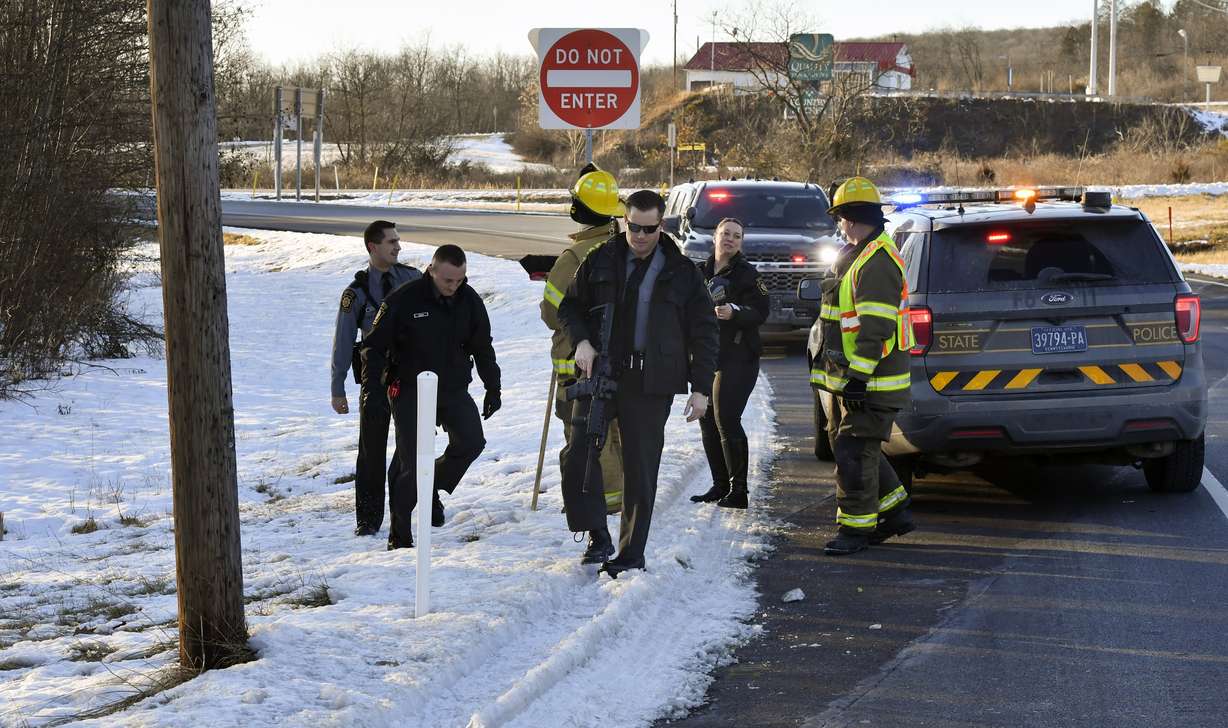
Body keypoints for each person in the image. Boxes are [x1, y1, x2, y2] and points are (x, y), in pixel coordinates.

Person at [558, 189, 719, 577]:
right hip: (600, 371)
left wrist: (700, 388)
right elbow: (569, 306)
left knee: (640, 468)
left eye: (649, 229)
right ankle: (598, 534)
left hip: (651, 382)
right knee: (579, 450)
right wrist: (580, 340)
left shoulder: (681, 271)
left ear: (660, 225)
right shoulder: (602, 258)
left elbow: (705, 332)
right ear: (624, 222)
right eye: (634, 228)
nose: (641, 236)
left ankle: (631, 554)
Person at [361, 244, 500, 550]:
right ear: (432, 270)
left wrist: (493, 386)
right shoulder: (404, 299)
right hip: (409, 388)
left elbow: (482, 346)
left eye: (460, 280)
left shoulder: (469, 300)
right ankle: (400, 535)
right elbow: (373, 347)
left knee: (472, 442)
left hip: (451, 388)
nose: (454, 286)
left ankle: (429, 485)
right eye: (448, 280)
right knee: (412, 462)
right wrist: (371, 392)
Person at [812, 177, 915, 556]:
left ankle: (855, 530)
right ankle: (895, 512)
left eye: (840, 218)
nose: (840, 225)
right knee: (857, 447)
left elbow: (875, 329)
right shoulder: (857, 254)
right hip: (854, 379)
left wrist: (858, 378)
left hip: (870, 381)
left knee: (854, 452)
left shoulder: (877, 261)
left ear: (852, 218)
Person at [539, 163, 625, 513]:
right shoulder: (624, 249)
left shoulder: (574, 257)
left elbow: (551, 313)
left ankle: (600, 503)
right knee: (615, 433)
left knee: (585, 437)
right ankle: (621, 495)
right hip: (620, 361)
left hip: (576, 366)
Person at [330, 220, 421, 537]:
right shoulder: (355, 293)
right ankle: (368, 518)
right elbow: (343, 342)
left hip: (409, 370)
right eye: (391, 242)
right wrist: (337, 388)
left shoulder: (413, 279)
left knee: (412, 442)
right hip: (376, 373)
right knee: (371, 447)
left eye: (398, 240)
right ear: (372, 247)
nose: (398, 246)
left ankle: (409, 502)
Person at [689, 217, 769, 509]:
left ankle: (739, 491)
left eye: (737, 235)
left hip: (740, 357)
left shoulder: (748, 275)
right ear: (715, 237)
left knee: (727, 419)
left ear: (741, 242)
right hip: (709, 357)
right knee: (707, 421)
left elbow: (761, 311)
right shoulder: (700, 272)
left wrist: (735, 312)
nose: (730, 239)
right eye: (726, 234)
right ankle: (720, 485)